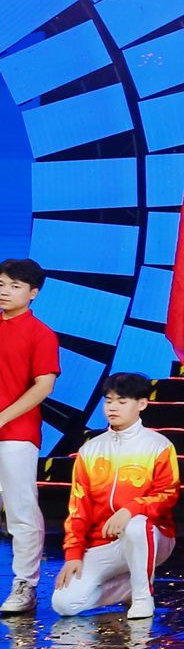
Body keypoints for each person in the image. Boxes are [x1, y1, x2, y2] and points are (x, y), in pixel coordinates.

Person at [52, 373, 179, 620]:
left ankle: (142, 597)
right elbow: (78, 506)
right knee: (64, 603)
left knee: (136, 525)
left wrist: (130, 509)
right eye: (108, 401)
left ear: (142, 404)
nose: (112, 407)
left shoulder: (158, 445)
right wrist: (74, 553)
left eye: (122, 401)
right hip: (104, 542)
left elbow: (167, 495)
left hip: (152, 535)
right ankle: (132, 585)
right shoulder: (90, 449)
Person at [0, 258, 59, 616]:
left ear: (33, 293)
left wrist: (3, 417)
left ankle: (25, 583)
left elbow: (44, 386)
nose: (5, 291)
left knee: (20, 510)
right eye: (1, 284)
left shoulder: (41, 334)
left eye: (15, 286)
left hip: (17, 433)